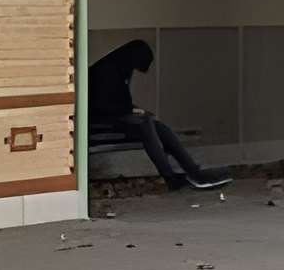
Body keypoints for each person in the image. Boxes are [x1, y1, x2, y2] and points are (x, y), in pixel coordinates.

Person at [87, 39, 231, 190]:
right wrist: (130, 110)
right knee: (145, 122)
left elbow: (119, 100)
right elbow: (101, 104)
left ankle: (193, 172)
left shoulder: (121, 67)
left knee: (158, 126)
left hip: (113, 116)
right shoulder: (107, 70)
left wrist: (131, 110)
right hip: (98, 119)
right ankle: (169, 177)